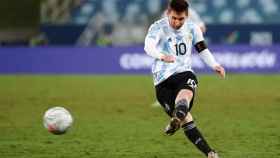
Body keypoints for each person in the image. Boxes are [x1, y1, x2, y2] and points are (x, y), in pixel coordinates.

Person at [144, 0, 225, 158]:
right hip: (162, 80)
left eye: (181, 19)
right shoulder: (158, 27)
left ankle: (210, 153)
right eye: (174, 18)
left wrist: (214, 64)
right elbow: (148, 46)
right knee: (187, 119)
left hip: (184, 73)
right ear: (169, 13)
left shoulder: (193, 28)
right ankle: (178, 118)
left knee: (186, 94)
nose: (177, 22)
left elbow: (202, 49)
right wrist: (161, 55)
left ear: (186, 16)